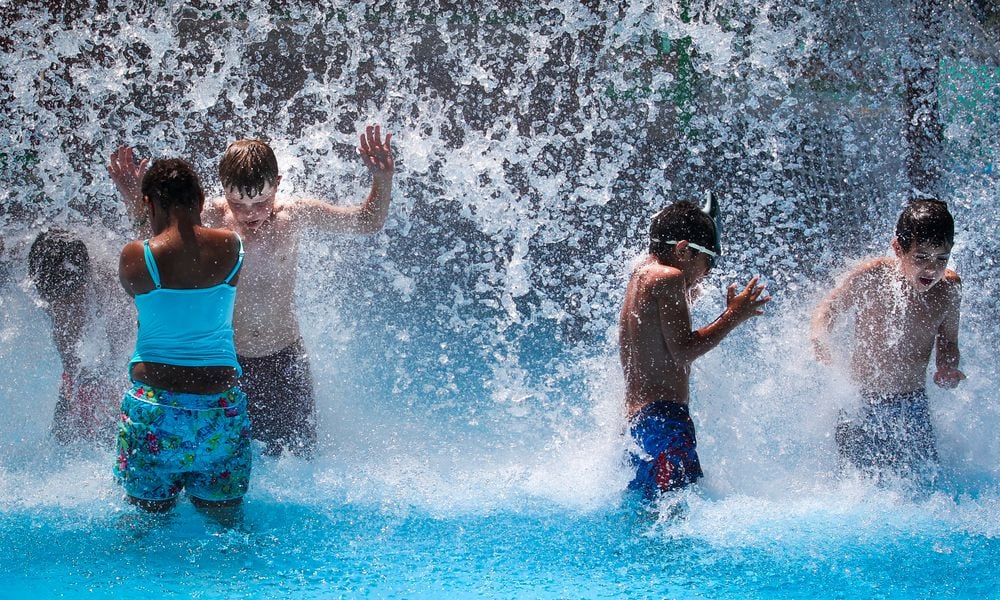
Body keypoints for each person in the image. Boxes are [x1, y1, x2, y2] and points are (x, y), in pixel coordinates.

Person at [108, 126, 394, 457]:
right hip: (229, 364)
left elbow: (365, 222)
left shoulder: (297, 214)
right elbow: (153, 243)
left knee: (299, 460)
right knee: (229, 460)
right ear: (222, 191)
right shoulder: (210, 217)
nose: (249, 214)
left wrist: (381, 179)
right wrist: (135, 202)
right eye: (238, 202)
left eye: (260, 202)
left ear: (278, 184)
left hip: (285, 357)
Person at [115, 158, 251, 517]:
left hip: (156, 408)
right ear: (202, 198)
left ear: (149, 204)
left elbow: (148, 262)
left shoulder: (136, 256)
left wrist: (135, 204)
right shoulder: (231, 248)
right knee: (226, 526)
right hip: (219, 409)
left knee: (145, 527)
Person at [620, 198, 770, 498]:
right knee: (672, 515)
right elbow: (683, 350)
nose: (709, 272)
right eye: (708, 261)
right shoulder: (669, 277)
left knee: (648, 513)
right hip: (664, 421)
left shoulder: (642, 274)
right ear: (683, 250)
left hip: (639, 423)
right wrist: (733, 316)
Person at [811, 199, 964, 485]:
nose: (931, 269)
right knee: (854, 488)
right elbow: (827, 310)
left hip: (912, 406)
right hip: (860, 402)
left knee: (924, 487)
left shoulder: (949, 290)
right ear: (898, 249)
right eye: (921, 257)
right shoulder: (872, 276)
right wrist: (821, 338)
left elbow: (949, 343)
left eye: (941, 259)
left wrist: (948, 367)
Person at [28, 228, 130, 443]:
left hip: (115, 370)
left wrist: (106, 390)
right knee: (64, 433)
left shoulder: (110, 286)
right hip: (80, 372)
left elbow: (122, 356)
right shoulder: (46, 274)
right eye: (57, 303)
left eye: (72, 300)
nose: (66, 307)